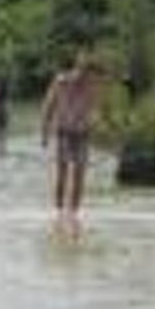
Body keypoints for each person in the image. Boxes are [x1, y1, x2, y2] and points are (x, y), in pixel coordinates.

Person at [39, 50, 107, 220]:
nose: (94, 81)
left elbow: (95, 111)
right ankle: (58, 212)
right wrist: (44, 133)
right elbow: (48, 106)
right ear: (82, 70)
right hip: (63, 132)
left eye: (95, 78)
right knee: (62, 173)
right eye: (91, 75)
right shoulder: (61, 82)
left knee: (80, 174)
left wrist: (99, 128)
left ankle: (74, 214)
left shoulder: (94, 87)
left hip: (83, 133)